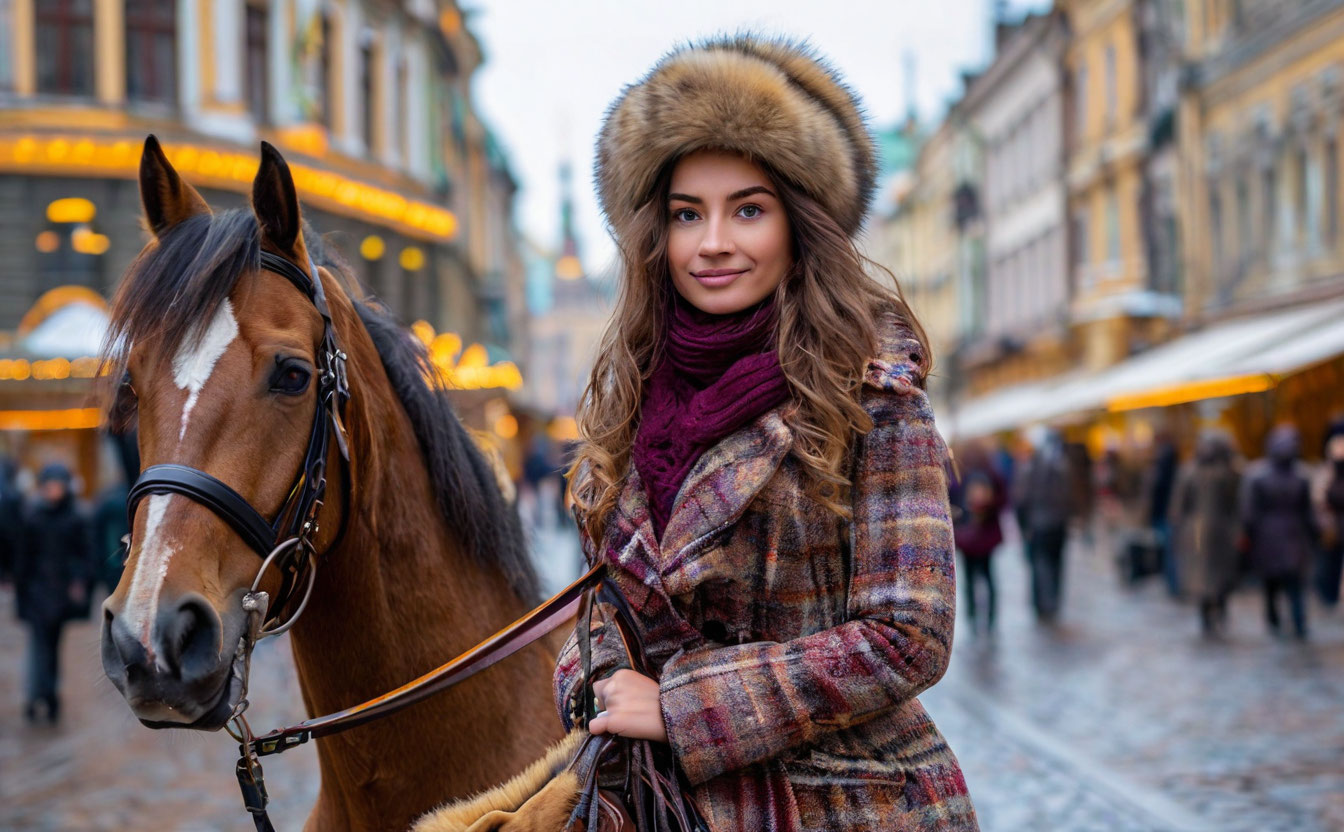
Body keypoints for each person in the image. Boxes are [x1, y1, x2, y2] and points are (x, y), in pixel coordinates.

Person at [550, 36, 977, 831]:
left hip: (840, 807)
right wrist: (592, 676)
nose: (713, 242)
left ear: (798, 226)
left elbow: (910, 635)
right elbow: (607, 607)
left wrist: (679, 705)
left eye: (748, 208)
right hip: (658, 806)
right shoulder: (634, 403)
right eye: (687, 214)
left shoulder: (872, 394)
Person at [14, 463, 93, 722]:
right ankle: (41, 694)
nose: (54, 491)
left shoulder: (74, 518)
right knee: (40, 647)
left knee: (51, 646)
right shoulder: (32, 517)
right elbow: (23, 559)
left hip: (59, 596)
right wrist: (21, 594)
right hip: (38, 593)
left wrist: (78, 582)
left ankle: (45, 694)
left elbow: (84, 557)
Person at [1241, 426, 1318, 639]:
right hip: (1293, 534)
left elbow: (1249, 512)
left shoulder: (1258, 476)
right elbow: (1308, 511)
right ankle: (1298, 622)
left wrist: (1250, 534)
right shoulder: (1300, 475)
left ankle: (1274, 619)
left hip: (1268, 536)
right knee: (1294, 582)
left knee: (1271, 583)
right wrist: (1314, 534)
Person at [1171, 431, 1241, 636]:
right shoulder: (1228, 473)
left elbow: (1178, 507)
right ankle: (1217, 609)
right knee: (1217, 574)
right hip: (1219, 530)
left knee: (1204, 574)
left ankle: (1209, 613)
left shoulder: (1191, 472)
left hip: (1199, 531)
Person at [1015, 426, 1073, 622]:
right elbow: (1069, 497)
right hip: (1057, 523)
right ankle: (1052, 601)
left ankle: (1044, 603)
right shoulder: (1062, 465)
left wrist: (1023, 525)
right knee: (1055, 564)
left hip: (1040, 524)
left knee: (1041, 564)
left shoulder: (1031, 467)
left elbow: (1022, 499)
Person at [952, 442, 1007, 637]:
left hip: (968, 537)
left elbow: (952, 499)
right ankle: (989, 620)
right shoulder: (991, 472)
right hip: (985, 536)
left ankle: (973, 619)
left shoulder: (959, 473)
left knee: (970, 580)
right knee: (988, 577)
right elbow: (1004, 499)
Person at [1314, 425, 1344, 607]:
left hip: (1333, 526)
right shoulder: (1326, 473)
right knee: (1329, 565)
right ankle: (1329, 596)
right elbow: (1319, 499)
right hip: (1332, 528)